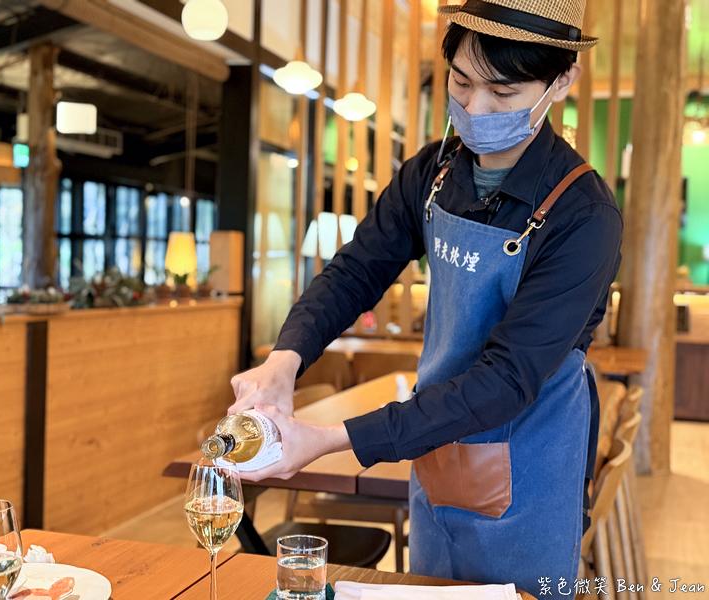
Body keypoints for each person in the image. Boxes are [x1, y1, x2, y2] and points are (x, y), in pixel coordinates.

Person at [229, 0, 622, 595]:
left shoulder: (582, 214)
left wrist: (331, 438)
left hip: (529, 464)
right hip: (433, 449)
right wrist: (285, 361)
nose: (475, 108)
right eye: (461, 82)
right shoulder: (433, 174)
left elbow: (507, 380)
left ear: (562, 80)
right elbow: (356, 270)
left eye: (505, 93)